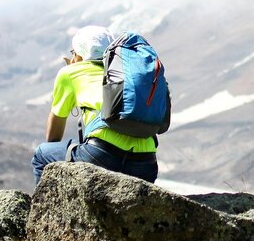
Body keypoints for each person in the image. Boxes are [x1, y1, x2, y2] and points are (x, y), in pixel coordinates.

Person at [31, 25, 159, 184]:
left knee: (42, 153)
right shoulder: (126, 72)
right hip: (146, 164)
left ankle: (44, 208)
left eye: (73, 52)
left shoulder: (71, 72)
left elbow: (53, 135)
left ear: (78, 53)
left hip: (102, 155)